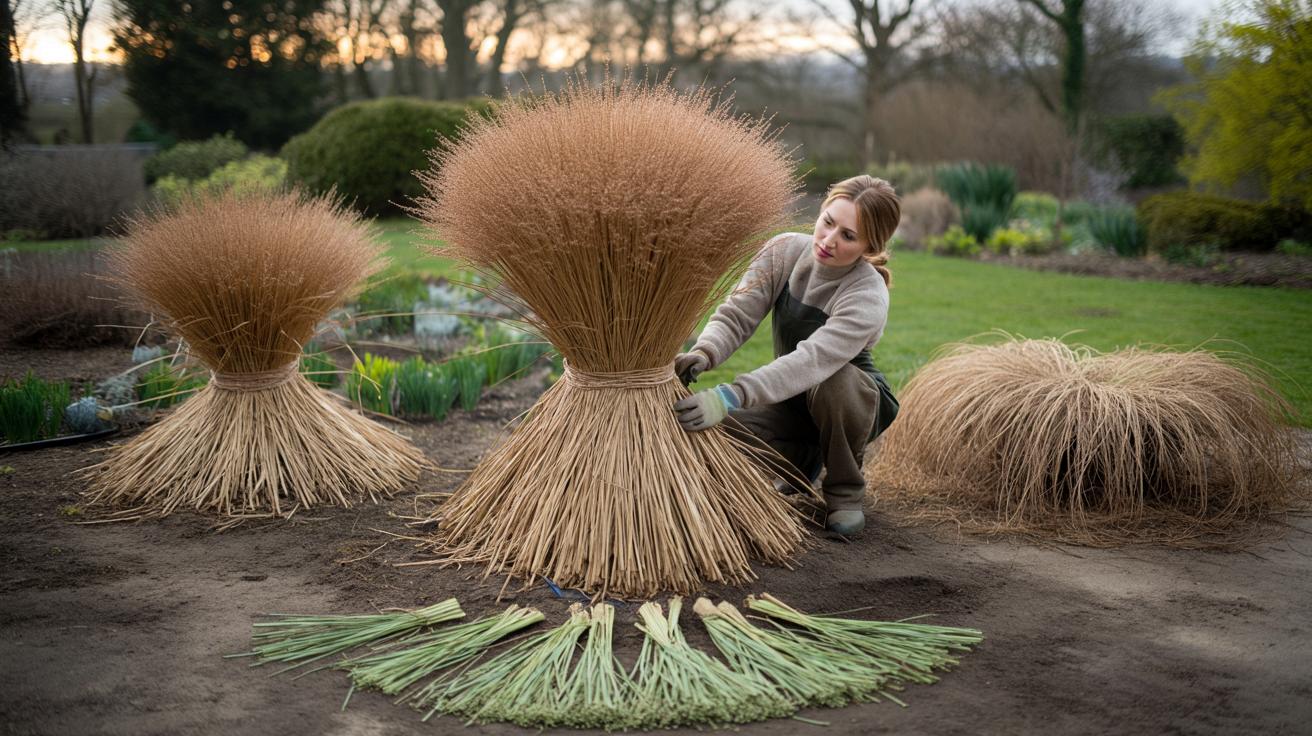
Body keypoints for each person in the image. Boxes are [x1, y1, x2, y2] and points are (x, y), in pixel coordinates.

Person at [672, 175, 901, 535]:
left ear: (869, 246)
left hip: (850, 400)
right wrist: (704, 353)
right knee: (713, 432)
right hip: (790, 396)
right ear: (821, 210)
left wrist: (728, 396)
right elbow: (737, 313)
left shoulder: (867, 294)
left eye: (848, 236)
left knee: (833, 382)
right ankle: (801, 463)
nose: (828, 240)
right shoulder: (783, 251)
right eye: (828, 222)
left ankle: (844, 491)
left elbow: (812, 361)